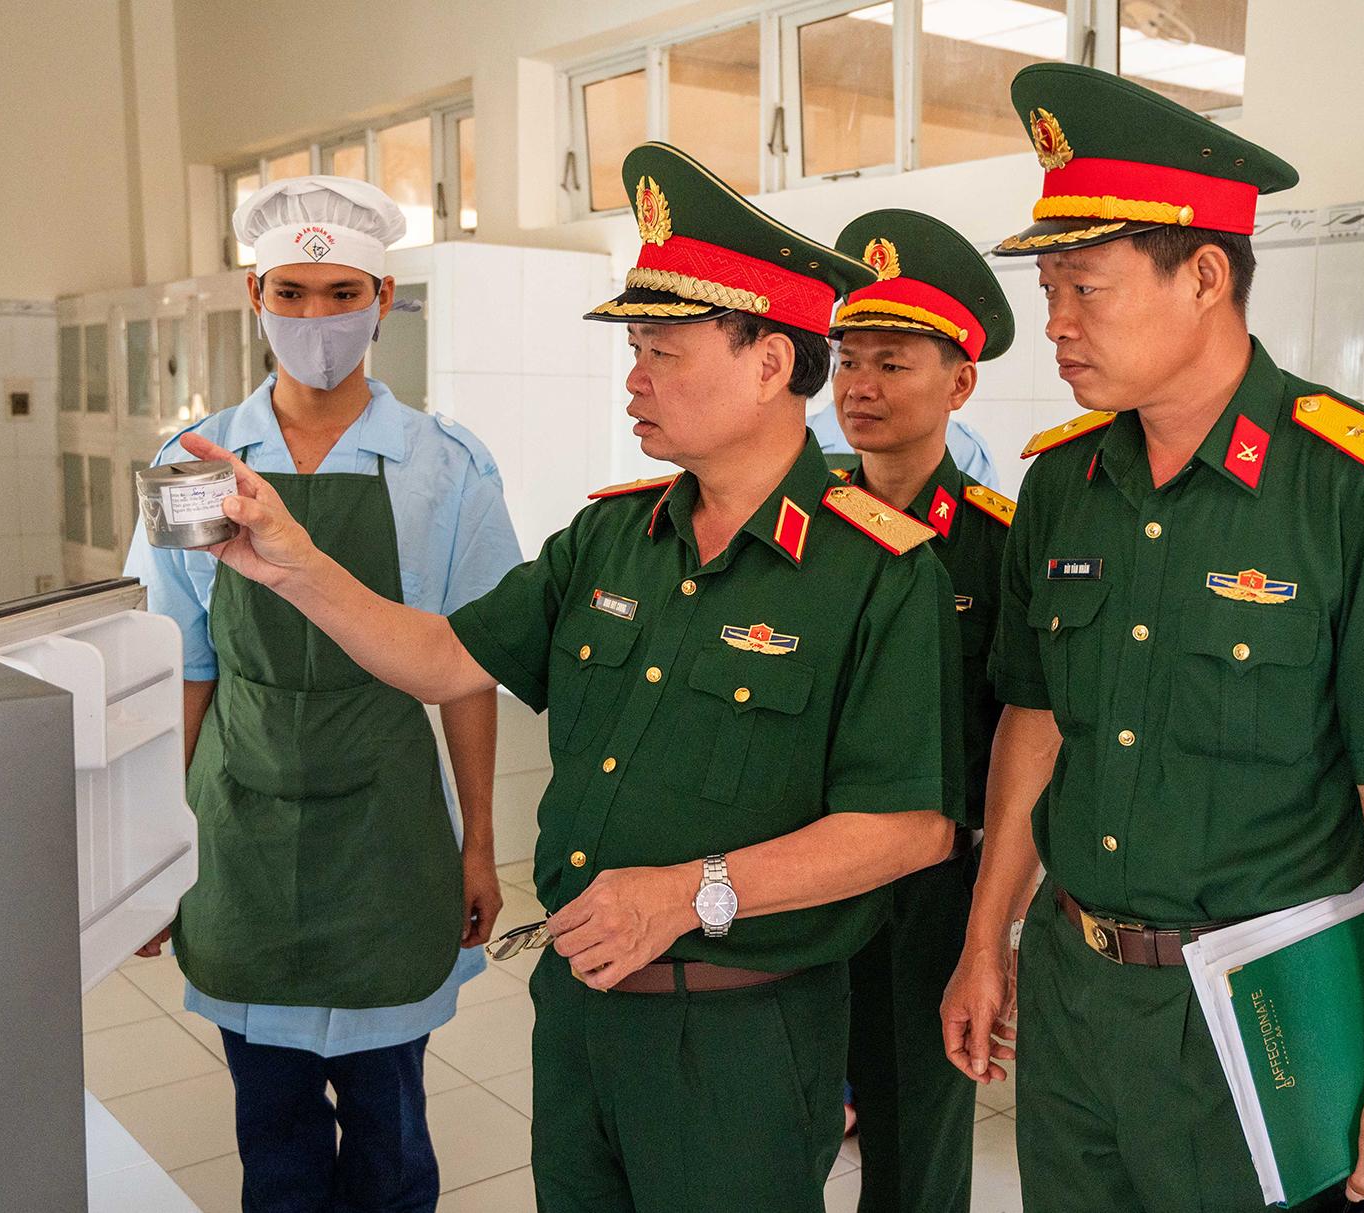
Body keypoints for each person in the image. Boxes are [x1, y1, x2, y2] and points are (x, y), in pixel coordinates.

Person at [177, 142, 966, 1213]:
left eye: (662, 352)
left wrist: (692, 891)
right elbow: (441, 657)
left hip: (742, 1027)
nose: (634, 379)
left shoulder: (876, 571)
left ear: (771, 362)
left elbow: (909, 828)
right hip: (583, 1010)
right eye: (634, 349)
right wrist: (294, 566)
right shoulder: (610, 539)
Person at [939, 63, 1364, 1213]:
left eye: (1084, 288)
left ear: (1203, 275)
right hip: (1074, 994)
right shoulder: (1061, 486)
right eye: (1047, 288)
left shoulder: (1362, 493)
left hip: (1263, 1014)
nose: (1054, 324)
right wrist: (985, 935)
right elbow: (1034, 725)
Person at [123, 175, 523, 1213]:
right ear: (255, 296)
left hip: (389, 826)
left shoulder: (444, 467)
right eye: (291, 294)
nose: (317, 319)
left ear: (383, 299)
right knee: (274, 1130)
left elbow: (469, 670)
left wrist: (479, 841)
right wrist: (157, 851)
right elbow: (183, 666)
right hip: (240, 817)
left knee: (390, 1131)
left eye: (342, 293)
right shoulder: (196, 465)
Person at [823, 208, 1014, 1212]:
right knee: (778, 1133)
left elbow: (1024, 742)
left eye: (891, 363)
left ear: (959, 383)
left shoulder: (998, 547)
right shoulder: (804, 526)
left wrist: (992, 930)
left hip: (930, 897)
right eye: (848, 360)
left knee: (912, 1161)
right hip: (800, 874)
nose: (859, 386)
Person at [808, 400, 1001, 489]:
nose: (861, 388)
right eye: (849, 363)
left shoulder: (963, 446)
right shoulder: (803, 438)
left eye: (891, 367)